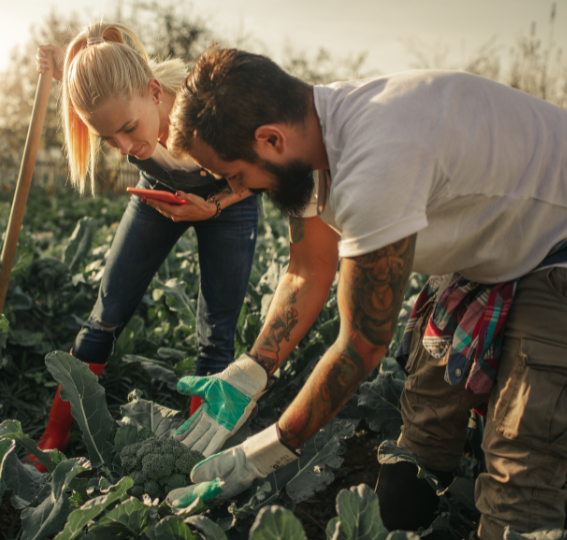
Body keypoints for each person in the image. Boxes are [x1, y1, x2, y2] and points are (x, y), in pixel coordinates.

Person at [165, 47, 567, 538]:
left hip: (557, 252)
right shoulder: (314, 135)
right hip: (503, 248)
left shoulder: (376, 155)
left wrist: (267, 450)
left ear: (270, 139)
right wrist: (252, 371)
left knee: (521, 464)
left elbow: (363, 344)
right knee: (424, 426)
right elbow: (309, 269)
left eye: (235, 174)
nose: (238, 189)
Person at [31, 26, 259, 468]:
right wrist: (64, 65)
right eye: (108, 139)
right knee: (105, 316)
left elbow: (259, 171)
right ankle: (52, 437)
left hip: (230, 202)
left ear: (155, 92)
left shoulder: (216, 110)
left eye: (129, 130)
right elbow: (96, 75)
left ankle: (197, 455)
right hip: (159, 191)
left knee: (217, 336)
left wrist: (212, 207)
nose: (124, 148)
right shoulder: (120, 99)